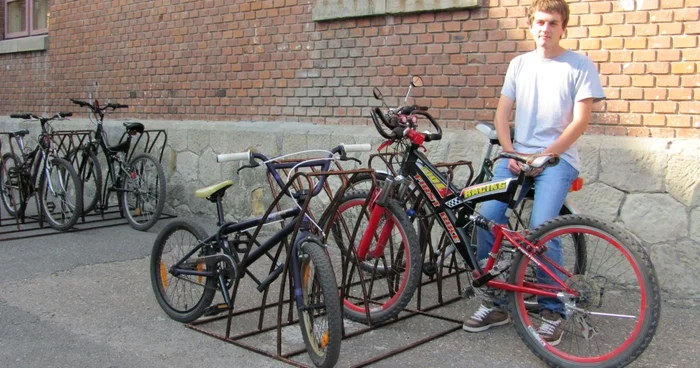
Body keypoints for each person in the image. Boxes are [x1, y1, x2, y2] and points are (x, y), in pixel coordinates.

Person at [462, 0, 605, 346]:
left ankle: (552, 310)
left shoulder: (579, 65)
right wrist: (511, 151)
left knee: (543, 231)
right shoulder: (519, 64)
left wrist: (544, 154)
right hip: (516, 158)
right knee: (486, 218)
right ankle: (496, 303)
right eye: (540, 22)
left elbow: (581, 120)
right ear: (531, 26)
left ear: (563, 28)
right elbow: (502, 115)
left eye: (553, 23)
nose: (546, 28)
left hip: (557, 161)